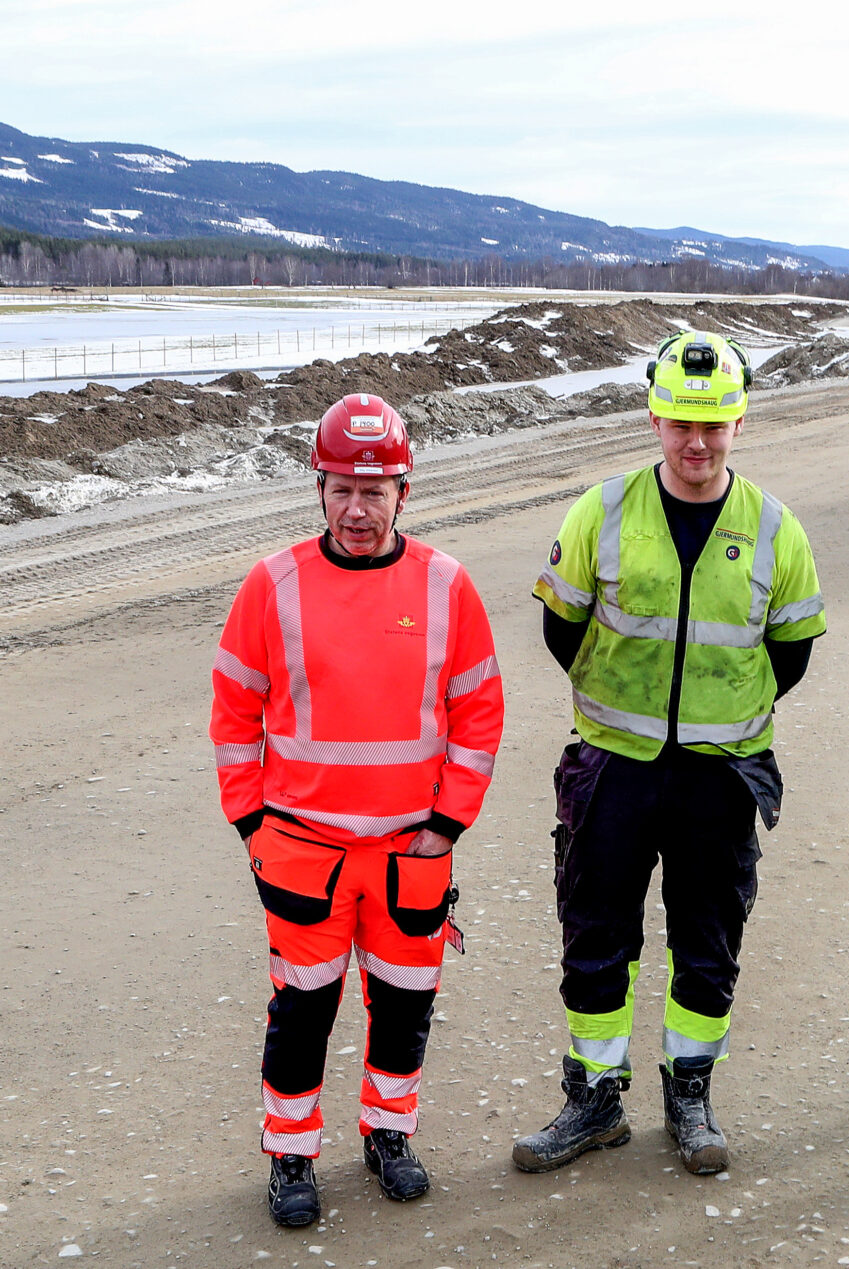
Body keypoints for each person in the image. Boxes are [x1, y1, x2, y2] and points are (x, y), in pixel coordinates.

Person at [515, 329, 825, 1176]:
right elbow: (559, 626)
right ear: (653, 417)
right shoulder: (603, 510)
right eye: (681, 424)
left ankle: (690, 1093)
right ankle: (595, 1100)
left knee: (709, 940)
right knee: (595, 935)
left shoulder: (773, 527)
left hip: (722, 772)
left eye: (715, 425)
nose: (697, 443)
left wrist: (723, 714)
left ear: (739, 422)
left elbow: (791, 650)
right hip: (615, 764)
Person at [210, 393, 503, 1227]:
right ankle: (291, 1153)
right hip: (303, 848)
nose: (357, 508)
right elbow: (235, 708)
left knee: (405, 1003)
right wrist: (251, 823)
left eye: (374, 490)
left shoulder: (446, 585)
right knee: (302, 1010)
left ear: (404, 492)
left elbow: (479, 711)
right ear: (319, 488)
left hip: (413, 851)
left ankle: (389, 1134)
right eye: (341, 488)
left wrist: (445, 823)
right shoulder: (274, 584)